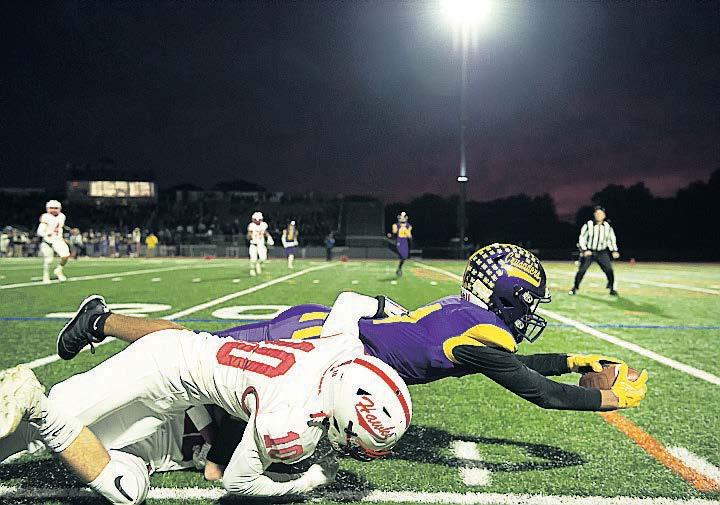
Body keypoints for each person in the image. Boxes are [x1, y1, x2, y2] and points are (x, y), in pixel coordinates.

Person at [60, 244, 647, 478]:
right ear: (510, 298)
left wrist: (572, 359)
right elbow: (536, 391)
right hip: (321, 345)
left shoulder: (470, 322)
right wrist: (608, 397)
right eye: (529, 300)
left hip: (329, 339)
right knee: (195, 353)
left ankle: (201, 442)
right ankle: (103, 325)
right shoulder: (481, 335)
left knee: (201, 353)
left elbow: (517, 368)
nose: (530, 311)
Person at [2, 296, 412, 502]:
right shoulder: (291, 423)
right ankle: (35, 399)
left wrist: (392, 309)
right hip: (163, 367)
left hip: (174, 391)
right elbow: (236, 482)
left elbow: (349, 302)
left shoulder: (342, 349)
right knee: (44, 418)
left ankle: (38, 407)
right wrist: (306, 481)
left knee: (110, 479)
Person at [570, 206, 620, 296]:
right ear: (594, 215)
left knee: (609, 270)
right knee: (582, 270)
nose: (599, 215)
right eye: (597, 213)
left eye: (601, 214)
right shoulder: (588, 225)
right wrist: (585, 250)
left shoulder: (607, 226)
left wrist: (614, 250)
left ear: (604, 215)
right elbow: (582, 238)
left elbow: (611, 239)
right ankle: (575, 287)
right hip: (589, 251)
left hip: (602, 252)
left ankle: (612, 288)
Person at [37, 199, 71, 283]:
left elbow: (60, 225)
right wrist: (46, 234)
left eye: (56, 208)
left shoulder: (62, 216)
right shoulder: (46, 216)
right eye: (51, 208)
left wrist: (68, 230)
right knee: (48, 260)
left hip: (58, 240)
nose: (53, 210)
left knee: (66, 255)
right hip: (47, 240)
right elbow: (39, 231)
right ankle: (45, 276)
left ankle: (58, 270)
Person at [247, 211, 272, 276]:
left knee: (263, 258)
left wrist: (269, 237)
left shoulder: (263, 224)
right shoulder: (251, 225)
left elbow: (265, 232)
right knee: (253, 259)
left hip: (261, 244)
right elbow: (249, 234)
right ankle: (252, 270)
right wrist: (250, 236)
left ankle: (258, 264)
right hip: (253, 244)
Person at [387, 211, 412, 276]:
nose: (402, 218)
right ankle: (399, 268)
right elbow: (394, 232)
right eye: (401, 217)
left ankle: (399, 268)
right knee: (402, 255)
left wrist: (406, 231)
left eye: (404, 217)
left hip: (405, 241)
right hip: (399, 241)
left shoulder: (408, 226)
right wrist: (400, 228)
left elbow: (409, 235)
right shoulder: (395, 225)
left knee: (404, 257)